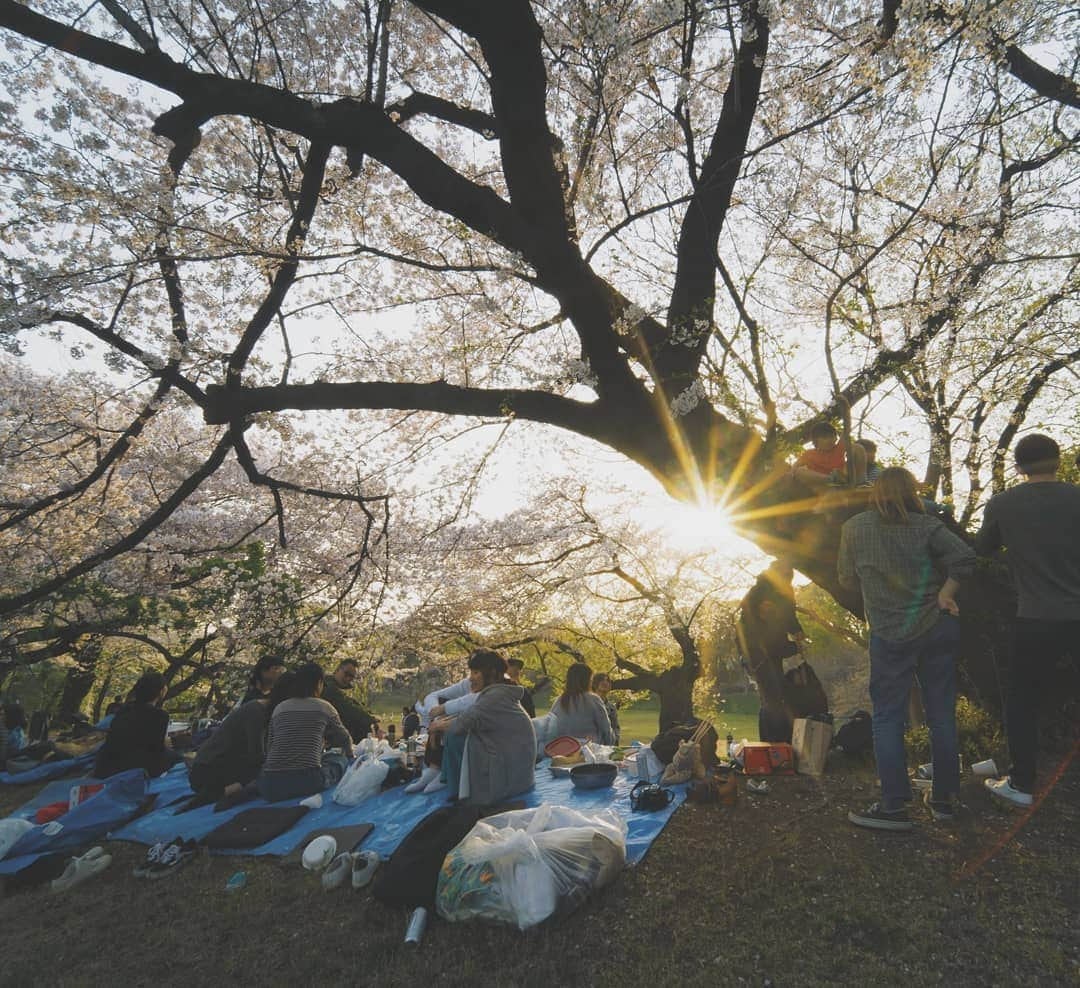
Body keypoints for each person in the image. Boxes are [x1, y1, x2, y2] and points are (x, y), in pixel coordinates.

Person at [838, 467, 975, 830]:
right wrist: (946, 593)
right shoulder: (927, 526)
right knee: (941, 715)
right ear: (913, 492)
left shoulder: (854, 528)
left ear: (874, 493)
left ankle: (894, 806)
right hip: (936, 626)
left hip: (888, 633)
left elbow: (845, 578)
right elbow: (965, 558)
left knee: (887, 718)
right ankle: (945, 801)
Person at [975, 434, 1080, 807]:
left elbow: (981, 550)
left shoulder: (1004, 504)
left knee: (1022, 699)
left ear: (1018, 466)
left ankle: (1021, 783)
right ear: (1057, 459)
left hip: (1035, 616)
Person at [429, 650, 536, 805]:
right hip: (518, 776)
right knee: (460, 733)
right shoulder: (498, 693)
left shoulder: (494, 698)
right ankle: (456, 786)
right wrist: (441, 725)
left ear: (492, 673)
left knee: (457, 738)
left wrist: (436, 727)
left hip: (510, 782)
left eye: (476, 672)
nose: (471, 678)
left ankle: (461, 792)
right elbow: (468, 717)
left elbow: (460, 725)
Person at [189, 672, 296, 802]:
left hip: (220, 767)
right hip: (207, 772)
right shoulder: (256, 712)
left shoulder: (266, 712)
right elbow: (256, 755)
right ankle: (219, 793)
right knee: (260, 771)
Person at [258, 662, 353, 802]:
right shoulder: (324, 707)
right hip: (307, 781)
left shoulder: (280, 708)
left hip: (270, 786)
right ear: (319, 683)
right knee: (338, 759)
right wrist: (350, 755)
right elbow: (344, 738)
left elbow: (270, 746)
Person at [736, 559, 808, 742]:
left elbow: (788, 616)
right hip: (758, 653)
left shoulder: (778, 592)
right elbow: (769, 633)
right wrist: (793, 646)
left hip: (765, 653)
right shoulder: (762, 594)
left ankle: (777, 743)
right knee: (772, 697)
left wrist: (797, 630)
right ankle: (772, 744)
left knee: (775, 695)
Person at [93, 671, 180, 779]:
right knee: (175, 757)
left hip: (108, 763)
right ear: (161, 691)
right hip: (136, 766)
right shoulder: (160, 716)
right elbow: (156, 749)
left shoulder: (123, 710)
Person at [549, 662, 615, 744]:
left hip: (563, 751)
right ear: (587, 680)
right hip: (590, 751)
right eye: (591, 679)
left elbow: (549, 729)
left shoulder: (559, 701)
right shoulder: (593, 700)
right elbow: (607, 731)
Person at [792, 422, 868, 489]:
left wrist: (846, 408)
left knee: (857, 447)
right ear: (816, 440)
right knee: (799, 471)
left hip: (843, 479)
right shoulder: (809, 454)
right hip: (823, 484)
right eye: (825, 437)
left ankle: (861, 482)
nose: (830, 440)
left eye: (832, 436)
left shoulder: (839, 448)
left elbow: (847, 427)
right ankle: (833, 480)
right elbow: (794, 469)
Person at [319, 659, 376, 742]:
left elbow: (351, 704)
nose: (348, 678)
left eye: (351, 677)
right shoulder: (329, 687)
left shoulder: (339, 688)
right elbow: (347, 708)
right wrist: (370, 720)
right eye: (346, 674)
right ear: (338, 669)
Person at [591, 672, 621, 744]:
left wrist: (615, 740)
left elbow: (615, 727)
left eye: (607, 680)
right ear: (594, 684)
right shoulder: (588, 704)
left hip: (608, 745)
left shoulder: (611, 707)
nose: (605, 682)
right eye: (601, 680)